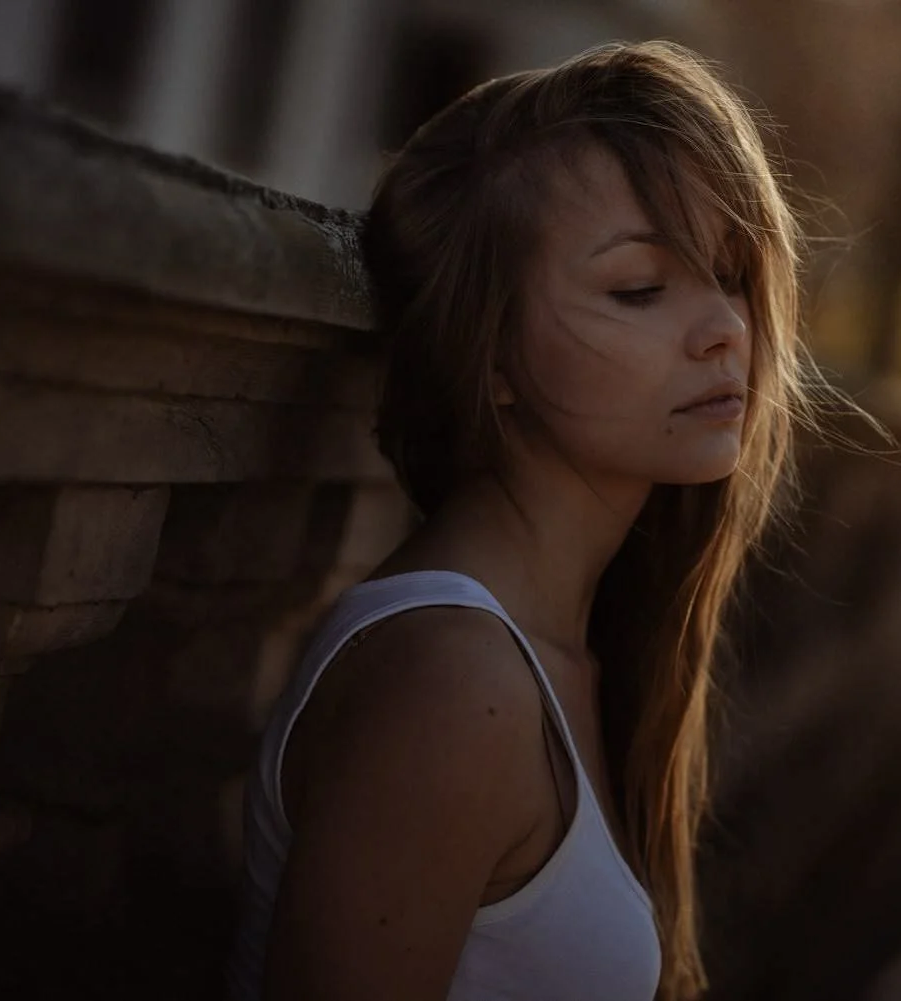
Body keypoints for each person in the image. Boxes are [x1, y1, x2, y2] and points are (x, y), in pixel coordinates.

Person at [228, 38, 812, 1001]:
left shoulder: (573, 651)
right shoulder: (455, 689)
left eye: (732, 273)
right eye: (639, 288)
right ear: (490, 356)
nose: (728, 329)